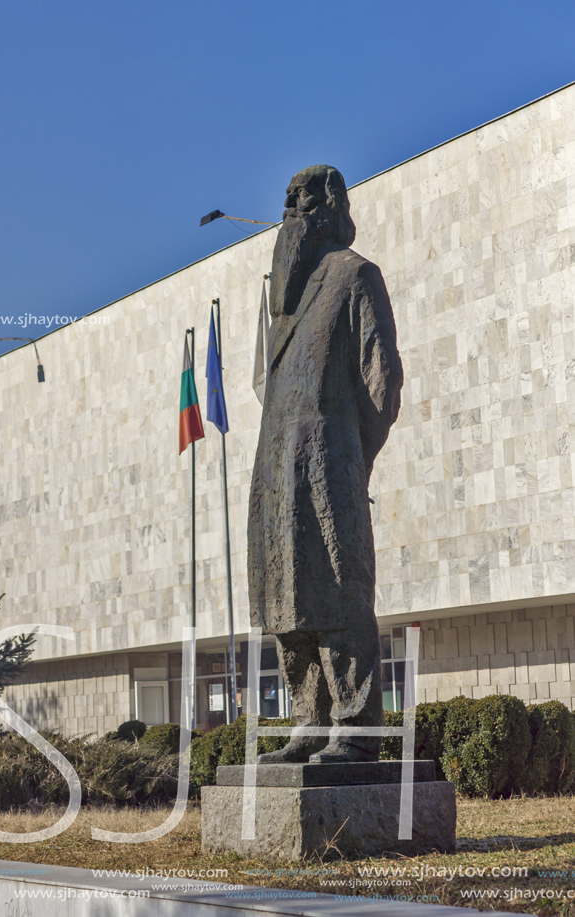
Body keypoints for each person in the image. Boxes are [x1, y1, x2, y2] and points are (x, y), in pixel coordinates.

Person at [247, 164, 403, 763]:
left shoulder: (355, 274)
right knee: (288, 604)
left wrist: (346, 455)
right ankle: (308, 723)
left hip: (328, 463)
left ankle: (355, 730)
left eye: (303, 195)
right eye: (285, 197)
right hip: (276, 472)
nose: (291, 206)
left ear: (330, 202)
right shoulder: (282, 307)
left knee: (337, 595)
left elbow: (380, 382)